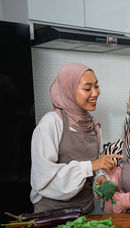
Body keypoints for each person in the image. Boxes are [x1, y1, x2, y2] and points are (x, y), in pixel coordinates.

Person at [30, 63, 121, 215]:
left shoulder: (93, 125)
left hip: (86, 211)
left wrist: (99, 178)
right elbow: (43, 177)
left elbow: (95, 164)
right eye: (87, 88)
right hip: (51, 215)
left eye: (97, 86)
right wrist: (91, 166)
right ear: (69, 90)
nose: (95, 93)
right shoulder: (50, 123)